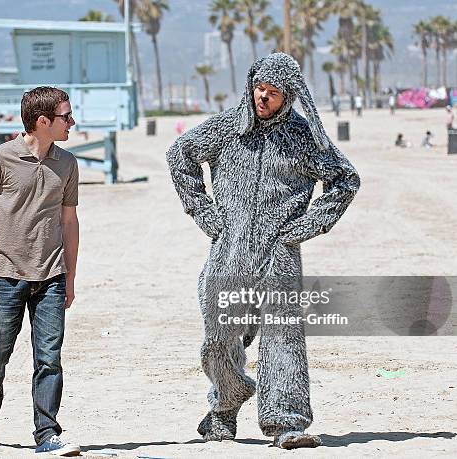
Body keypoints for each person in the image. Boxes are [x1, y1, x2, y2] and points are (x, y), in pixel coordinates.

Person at [166, 53, 360, 449]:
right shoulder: (226, 128)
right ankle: (225, 403)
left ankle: (287, 422)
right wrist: (204, 212)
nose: (262, 98)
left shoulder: (304, 138)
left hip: (279, 254)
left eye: (272, 94)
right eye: (259, 89)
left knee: (283, 335)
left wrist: (305, 227)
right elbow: (180, 155)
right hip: (229, 251)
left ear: (288, 96)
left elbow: (344, 180)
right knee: (220, 337)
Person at [0, 86, 80, 456]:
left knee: (49, 358)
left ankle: (47, 434)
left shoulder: (67, 163)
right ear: (43, 121)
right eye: (66, 116)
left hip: (51, 276)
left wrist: (70, 277)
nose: (72, 122)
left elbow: (69, 221)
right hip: (6, 276)